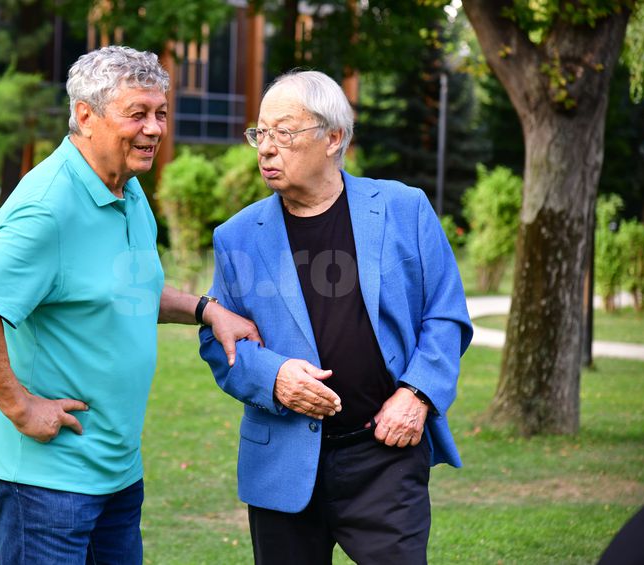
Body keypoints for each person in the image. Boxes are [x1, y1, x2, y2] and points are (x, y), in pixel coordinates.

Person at [0, 46, 260, 565]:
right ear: (86, 116)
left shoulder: (128, 191)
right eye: (136, 114)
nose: (155, 128)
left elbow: (123, 291)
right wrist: (23, 409)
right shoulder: (48, 206)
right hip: (47, 481)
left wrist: (206, 308)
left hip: (116, 470)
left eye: (160, 113)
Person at [199, 70, 473, 564]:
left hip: (384, 456)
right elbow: (220, 341)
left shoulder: (404, 209)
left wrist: (417, 394)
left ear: (333, 138)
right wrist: (274, 376)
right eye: (260, 133)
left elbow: (446, 315)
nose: (265, 148)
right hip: (281, 462)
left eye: (284, 132)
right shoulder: (236, 237)